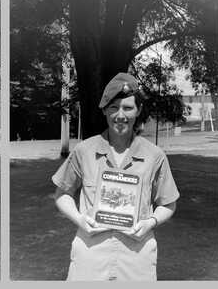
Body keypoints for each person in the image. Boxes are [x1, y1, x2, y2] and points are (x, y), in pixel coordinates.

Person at [52, 72, 179, 281]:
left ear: (138, 110)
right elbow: (62, 194)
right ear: (104, 111)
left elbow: (168, 203)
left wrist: (151, 222)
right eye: (113, 108)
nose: (120, 115)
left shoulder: (155, 156)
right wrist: (79, 219)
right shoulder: (84, 150)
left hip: (137, 259)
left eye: (128, 108)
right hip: (90, 257)